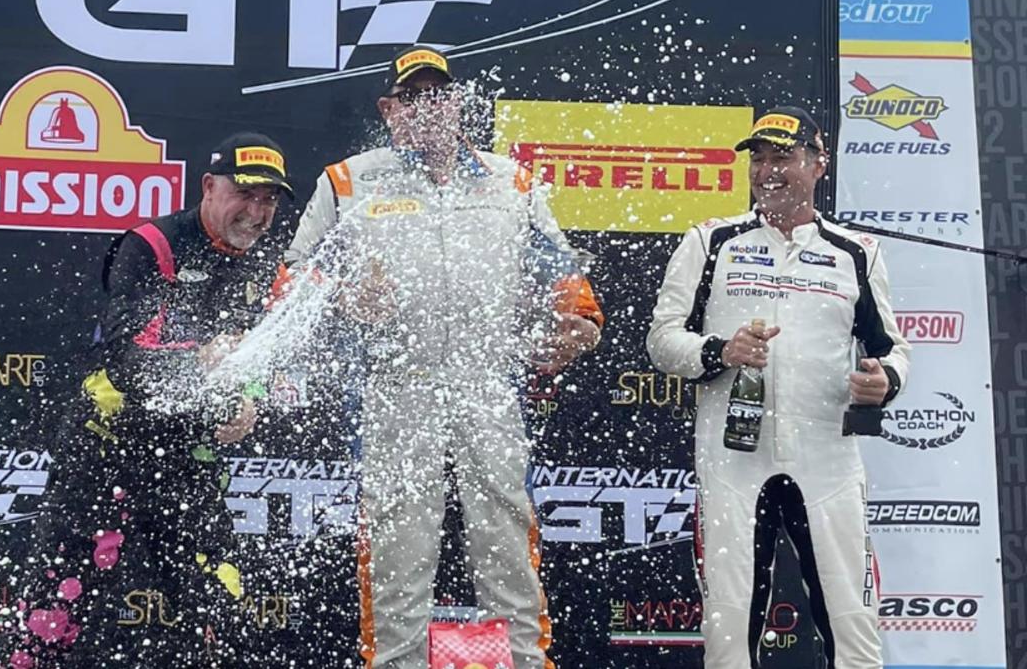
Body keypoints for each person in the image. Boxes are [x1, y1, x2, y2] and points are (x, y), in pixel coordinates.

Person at [281, 46, 604, 669]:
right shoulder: (348, 180)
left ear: (457, 102)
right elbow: (292, 277)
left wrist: (583, 322)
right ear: (389, 109)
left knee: (508, 539)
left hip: (488, 385)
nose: (428, 108)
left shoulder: (512, 180)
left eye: (440, 95)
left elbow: (561, 272)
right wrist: (342, 296)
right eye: (413, 98)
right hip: (394, 387)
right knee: (399, 549)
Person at [6, 133, 294, 669]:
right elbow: (125, 351)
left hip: (185, 450)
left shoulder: (265, 261)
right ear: (209, 187)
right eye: (246, 193)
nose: (256, 212)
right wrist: (197, 357)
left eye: (269, 200)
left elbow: (257, 348)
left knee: (221, 594)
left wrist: (248, 397)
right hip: (106, 444)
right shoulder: (152, 244)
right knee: (58, 600)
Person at [646, 106, 911, 669]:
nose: (768, 170)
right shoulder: (710, 241)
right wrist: (719, 352)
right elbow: (663, 341)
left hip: (828, 459)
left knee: (853, 621)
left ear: (819, 164)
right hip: (732, 460)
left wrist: (884, 381)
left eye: (783, 157)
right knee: (729, 625)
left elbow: (892, 352)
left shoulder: (856, 252)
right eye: (759, 158)